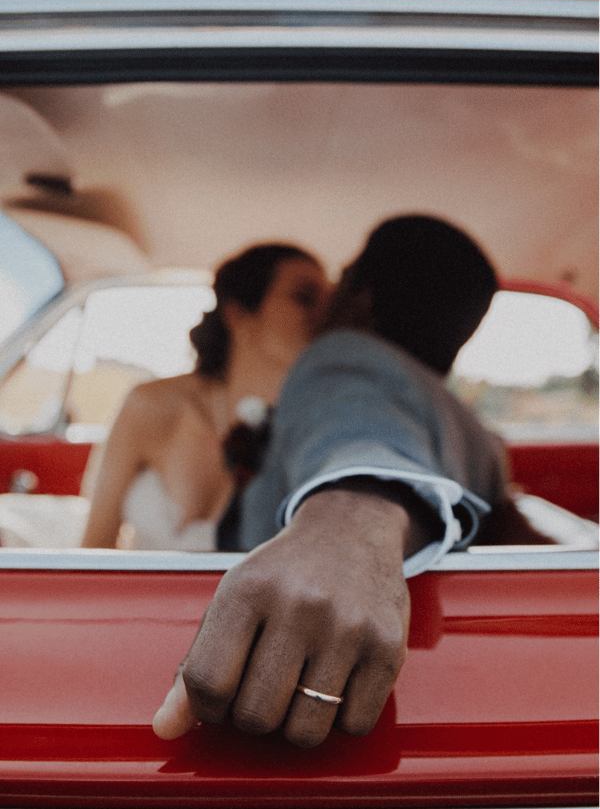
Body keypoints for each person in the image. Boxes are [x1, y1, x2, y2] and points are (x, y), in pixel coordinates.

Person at [153, 215, 514, 748]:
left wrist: (354, 515)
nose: (323, 307)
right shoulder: (476, 431)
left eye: (340, 280)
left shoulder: (341, 354)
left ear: (360, 299)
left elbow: (359, 432)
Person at [81, 242, 328, 550]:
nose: (324, 316)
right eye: (304, 298)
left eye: (330, 303)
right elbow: (95, 546)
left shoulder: (318, 426)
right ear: (238, 315)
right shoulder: (149, 405)